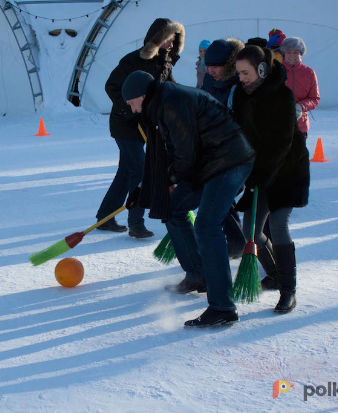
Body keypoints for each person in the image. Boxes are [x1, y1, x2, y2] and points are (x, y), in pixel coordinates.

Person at [121, 70, 254, 327]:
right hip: (209, 163)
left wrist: (166, 181)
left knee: (207, 225)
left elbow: (185, 157)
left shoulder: (172, 102)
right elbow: (170, 152)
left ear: (142, 95)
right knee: (172, 208)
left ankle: (223, 306)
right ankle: (197, 275)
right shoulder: (162, 102)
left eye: (132, 104)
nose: (134, 111)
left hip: (230, 160)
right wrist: (146, 189)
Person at [232, 45, 310, 314]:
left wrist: (257, 176)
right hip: (259, 171)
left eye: (245, 72)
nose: (240, 78)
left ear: (262, 69)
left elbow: (281, 143)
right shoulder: (241, 95)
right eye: (238, 72)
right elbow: (238, 132)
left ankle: (289, 290)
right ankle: (275, 274)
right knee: (250, 232)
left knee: (277, 226)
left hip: (287, 170)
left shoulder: (282, 95)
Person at [96, 18, 185, 238]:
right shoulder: (133, 60)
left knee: (126, 171)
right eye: (167, 40)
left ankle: (105, 216)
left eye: (173, 40)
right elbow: (112, 86)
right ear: (156, 39)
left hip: (146, 124)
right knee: (140, 170)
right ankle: (136, 222)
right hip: (125, 124)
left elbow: (168, 88)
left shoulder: (165, 62)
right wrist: (130, 109)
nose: (170, 45)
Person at [199, 37, 247, 262]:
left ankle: (238, 242)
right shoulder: (209, 81)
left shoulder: (240, 84)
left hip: (236, 152)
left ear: (228, 65)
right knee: (219, 197)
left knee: (220, 195)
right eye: (208, 66)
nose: (212, 71)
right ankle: (236, 241)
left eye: (216, 67)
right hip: (213, 149)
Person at [280, 37, 320, 140]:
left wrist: (300, 107)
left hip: (300, 126)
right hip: (279, 124)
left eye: (296, 52)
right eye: (289, 52)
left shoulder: (309, 73)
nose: (292, 56)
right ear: (284, 53)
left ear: (301, 53)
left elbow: (315, 99)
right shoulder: (276, 71)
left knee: (299, 155)